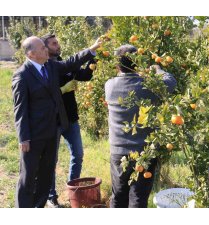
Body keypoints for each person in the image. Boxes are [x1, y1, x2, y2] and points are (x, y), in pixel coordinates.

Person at [12, 36, 101, 208]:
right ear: (31, 54)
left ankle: (38, 207)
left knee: (46, 173)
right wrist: (23, 138)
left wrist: (91, 50)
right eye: (42, 48)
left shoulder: (50, 66)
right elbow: (19, 109)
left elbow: (70, 63)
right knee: (28, 176)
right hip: (33, 135)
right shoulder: (22, 75)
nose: (46, 49)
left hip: (52, 131)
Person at [105, 44, 177, 208]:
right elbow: (171, 82)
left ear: (117, 65)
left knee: (118, 196)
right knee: (138, 197)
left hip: (118, 151)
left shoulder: (109, 85)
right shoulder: (148, 85)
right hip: (144, 151)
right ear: (139, 63)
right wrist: (157, 70)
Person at [40, 34, 95, 208]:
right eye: (54, 43)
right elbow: (43, 94)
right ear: (44, 48)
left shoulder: (65, 64)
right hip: (53, 121)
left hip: (71, 118)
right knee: (51, 160)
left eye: (58, 42)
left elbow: (85, 76)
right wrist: (63, 89)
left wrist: (95, 60)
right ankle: (51, 196)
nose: (58, 45)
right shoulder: (43, 68)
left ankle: (73, 190)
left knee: (77, 154)